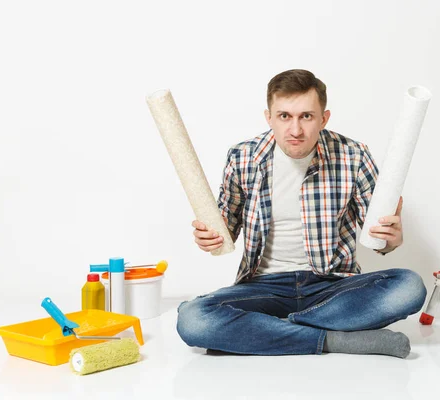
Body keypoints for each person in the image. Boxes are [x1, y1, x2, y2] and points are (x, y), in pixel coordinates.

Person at [176, 69, 426, 357]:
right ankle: (334, 340)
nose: (295, 130)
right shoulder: (242, 157)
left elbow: (379, 237)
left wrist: (391, 239)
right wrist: (210, 238)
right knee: (193, 318)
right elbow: (225, 229)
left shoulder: (353, 155)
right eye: (284, 116)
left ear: (324, 118)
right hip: (263, 286)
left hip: (331, 287)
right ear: (268, 117)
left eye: (306, 116)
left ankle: (264, 332)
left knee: (409, 286)